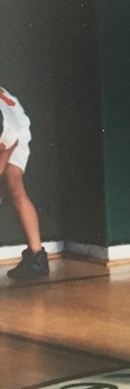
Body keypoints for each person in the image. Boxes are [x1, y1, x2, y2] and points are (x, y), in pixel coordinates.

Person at [0, 86, 49, 280]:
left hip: (16, 129)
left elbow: (10, 142)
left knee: (14, 184)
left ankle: (37, 259)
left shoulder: (6, 130)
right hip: (9, 121)